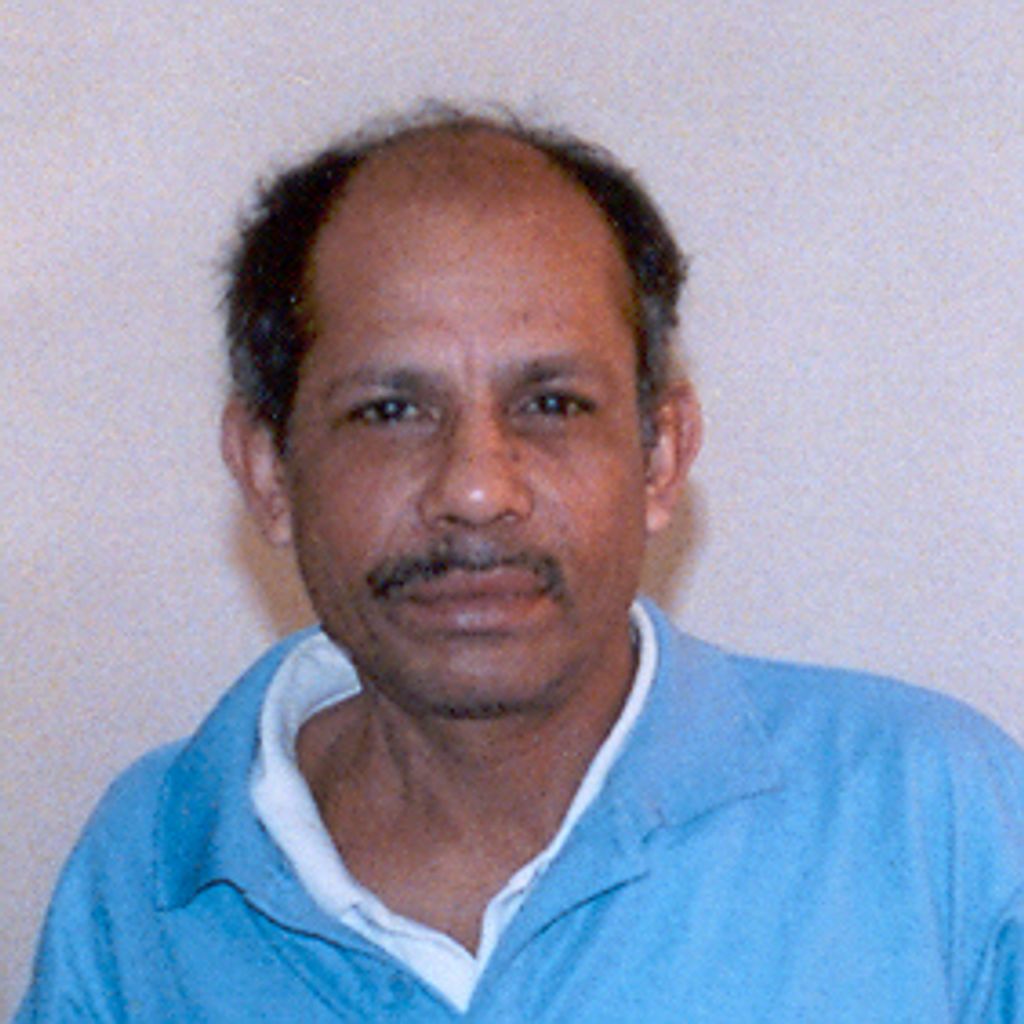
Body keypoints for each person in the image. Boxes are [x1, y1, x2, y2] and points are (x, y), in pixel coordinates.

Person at [16, 108, 1024, 1022]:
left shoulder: (934, 821)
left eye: (551, 404)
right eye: (390, 410)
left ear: (660, 456)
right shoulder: (144, 877)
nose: (475, 489)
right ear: (269, 471)